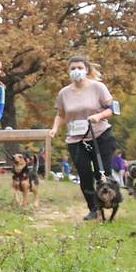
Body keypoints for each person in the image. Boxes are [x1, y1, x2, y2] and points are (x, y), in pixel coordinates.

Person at [49, 55, 116, 220]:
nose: (76, 71)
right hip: (76, 139)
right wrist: (55, 128)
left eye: (79, 68)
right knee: (84, 175)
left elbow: (111, 109)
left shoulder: (98, 87)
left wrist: (99, 116)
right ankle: (93, 209)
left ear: (86, 69)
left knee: (103, 173)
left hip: (99, 135)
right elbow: (60, 114)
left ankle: (110, 202)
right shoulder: (64, 93)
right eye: (72, 68)